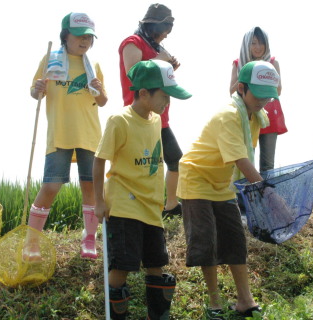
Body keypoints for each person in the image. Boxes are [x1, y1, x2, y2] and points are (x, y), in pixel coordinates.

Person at [177, 61, 280, 319]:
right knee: (206, 240)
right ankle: (214, 302)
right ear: (242, 88)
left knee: (235, 238)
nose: (264, 100)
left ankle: (246, 300)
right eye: (258, 93)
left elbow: (245, 154)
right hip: (197, 179)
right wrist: (268, 193)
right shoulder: (229, 115)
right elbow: (241, 160)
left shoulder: (255, 117)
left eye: (269, 95)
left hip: (222, 184)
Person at [93, 60, 191, 320]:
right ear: (144, 92)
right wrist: (99, 202)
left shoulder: (157, 120)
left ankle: (156, 316)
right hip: (125, 206)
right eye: (164, 95)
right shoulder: (119, 121)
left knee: (156, 266)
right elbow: (99, 159)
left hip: (151, 208)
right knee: (122, 267)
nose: (167, 101)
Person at [25, 12, 107, 261]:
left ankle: (89, 238)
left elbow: (102, 102)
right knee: (50, 186)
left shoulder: (94, 67)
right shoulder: (50, 59)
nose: (85, 41)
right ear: (65, 35)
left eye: (89, 37)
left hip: (89, 134)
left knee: (89, 186)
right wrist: (37, 88)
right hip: (59, 133)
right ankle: (32, 241)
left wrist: (100, 91)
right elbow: (35, 92)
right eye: (80, 36)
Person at [118, 3, 183, 217]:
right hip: (139, 116)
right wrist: (160, 60)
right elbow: (133, 73)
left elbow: (156, 74)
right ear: (154, 25)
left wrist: (169, 67)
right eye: (164, 30)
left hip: (160, 116)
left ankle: (171, 205)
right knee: (142, 165)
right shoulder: (132, 42)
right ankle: (136, 208)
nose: (166, 35)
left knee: (175, 159)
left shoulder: (155, 47)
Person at [230, 26, 287, 173]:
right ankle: (246, 195)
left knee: (268, 165)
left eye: (261, 43)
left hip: (270, 116)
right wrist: (247, 71)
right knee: (247, 159)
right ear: (247, 44)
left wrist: (263, 71)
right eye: (253, 43)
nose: (258, 47)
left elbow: (278, 90)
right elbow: (231, 91)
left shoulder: (273, 63)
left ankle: (265, 196)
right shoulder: (238, 64)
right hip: (246, 116)